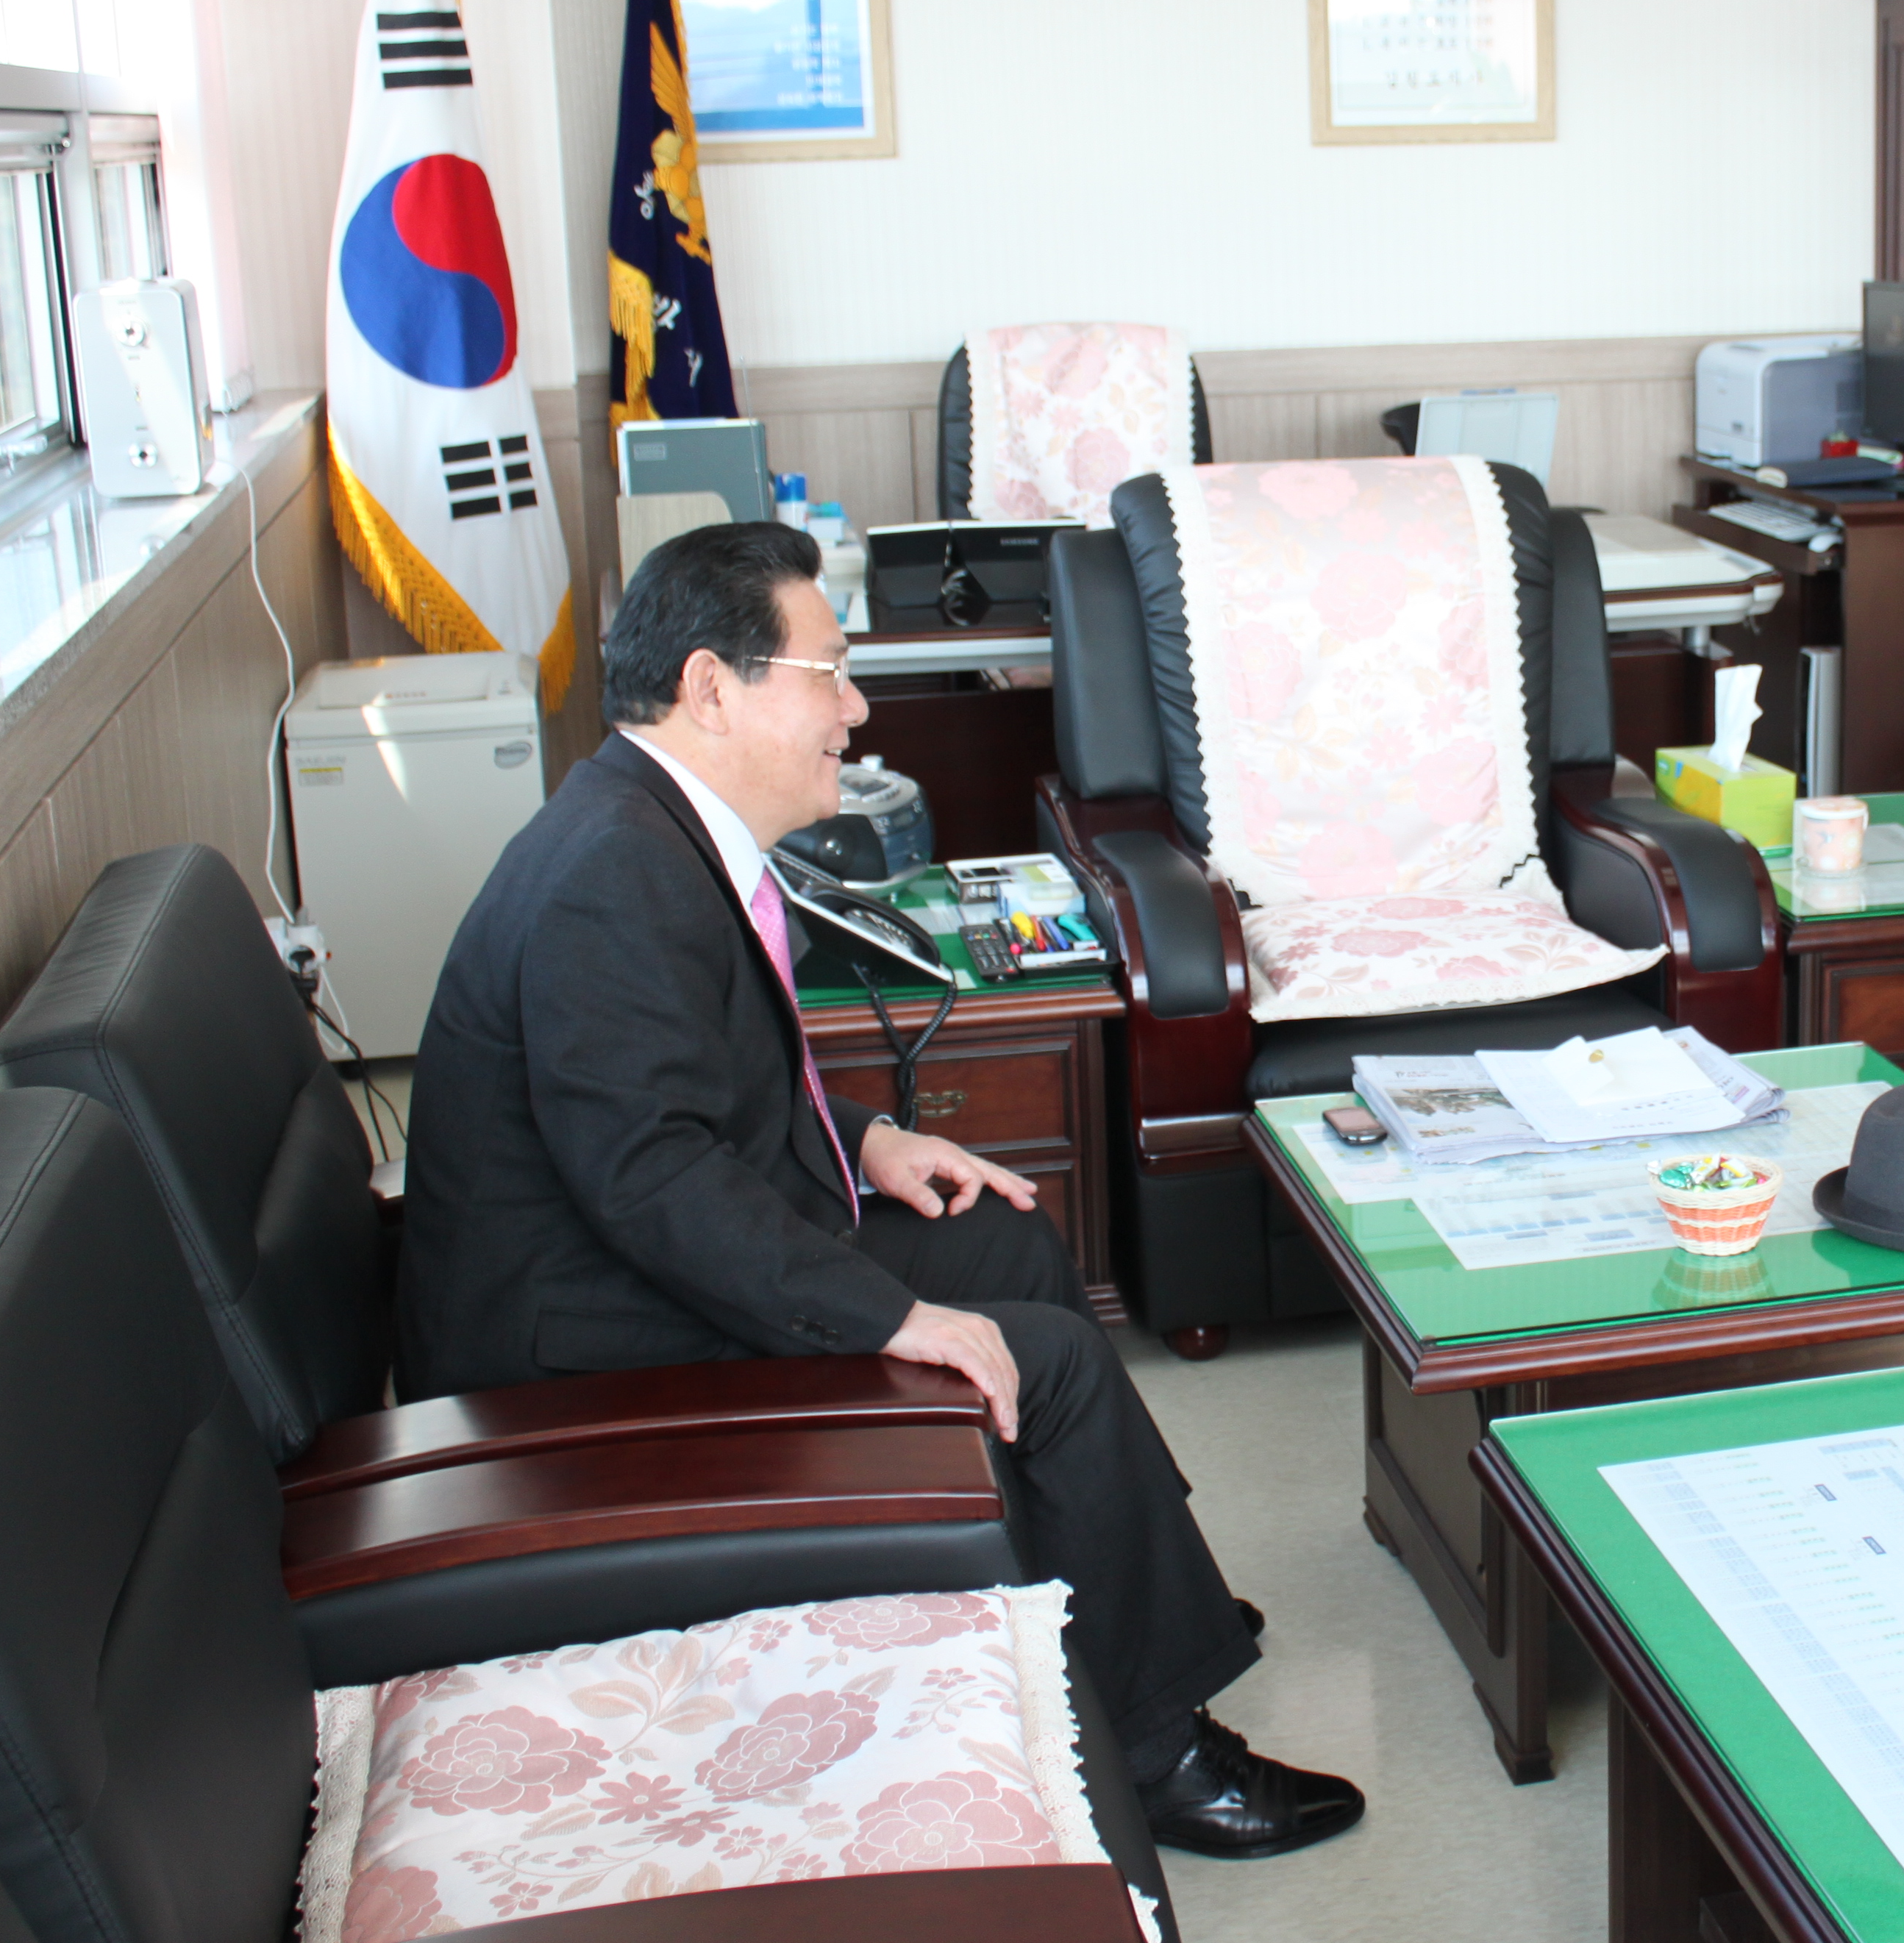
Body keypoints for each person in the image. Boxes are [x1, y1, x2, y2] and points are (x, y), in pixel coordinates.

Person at [400, 521, 1362, 1858]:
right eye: (831, 674)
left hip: (619, 1261)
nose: (857, 712)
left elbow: (697, 1095)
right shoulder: (610, 877)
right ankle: (1161, 1756)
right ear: (712, 687)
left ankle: (1133, 1611)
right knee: (1043, 1362)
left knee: (1008, 1239)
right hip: (574, 1340)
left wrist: (868, 1145)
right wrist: (893, 1318)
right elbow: (651, 1177)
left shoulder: (649, 825)